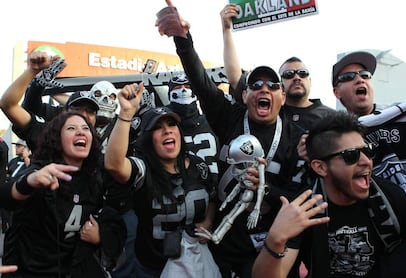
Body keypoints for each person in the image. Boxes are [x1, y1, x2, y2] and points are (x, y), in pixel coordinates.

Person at [157, 2, 308, 277]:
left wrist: (267, 189)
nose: (264, 89)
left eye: (273, 85)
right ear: (244, 95)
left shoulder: (295, 139)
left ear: (283, 97)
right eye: (256, 85)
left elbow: (302, 199)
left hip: (275, 245)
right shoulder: (230, 118)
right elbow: (201, 81)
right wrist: (183, 40)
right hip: (226, 246)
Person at [252, 111, 406, 278]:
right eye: (351, 155)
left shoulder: (389, 196)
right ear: (320, 167)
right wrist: (276, 239)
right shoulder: (304, 210)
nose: (366, 161)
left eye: (368, 150)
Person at [105, 82, 219, 277]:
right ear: (149, 139)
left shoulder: (199, 166)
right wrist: (126, 114)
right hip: (153, 268)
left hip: (195, 263)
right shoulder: (142, 169)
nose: (167, 130)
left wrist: (208, 219)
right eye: (158, 127)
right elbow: (114, 165)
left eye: (172, 124)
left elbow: (213, 198)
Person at [0, 112, 126, 277]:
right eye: (71, 128)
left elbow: (116, 215)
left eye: (85, 128)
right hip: (29, 270)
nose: (80, 132)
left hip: (73, 269)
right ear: (57, 138)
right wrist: (29, 182)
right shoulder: (42, 170)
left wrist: (101, 235)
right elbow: (6, 195)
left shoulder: (97, 176)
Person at [220, 3, 334, 132]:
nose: (297, 77)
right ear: (280, 87)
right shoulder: (269, 108)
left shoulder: (332, 117)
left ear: (310, 80)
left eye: (303, 73)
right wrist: (226, 30)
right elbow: (235, 78)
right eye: (288, 74)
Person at [332, 51, 406, 200]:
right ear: (337, 92)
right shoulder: (334, 135)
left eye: (365, 75)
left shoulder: (404, 115)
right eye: (348, 77)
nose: (359, 79)